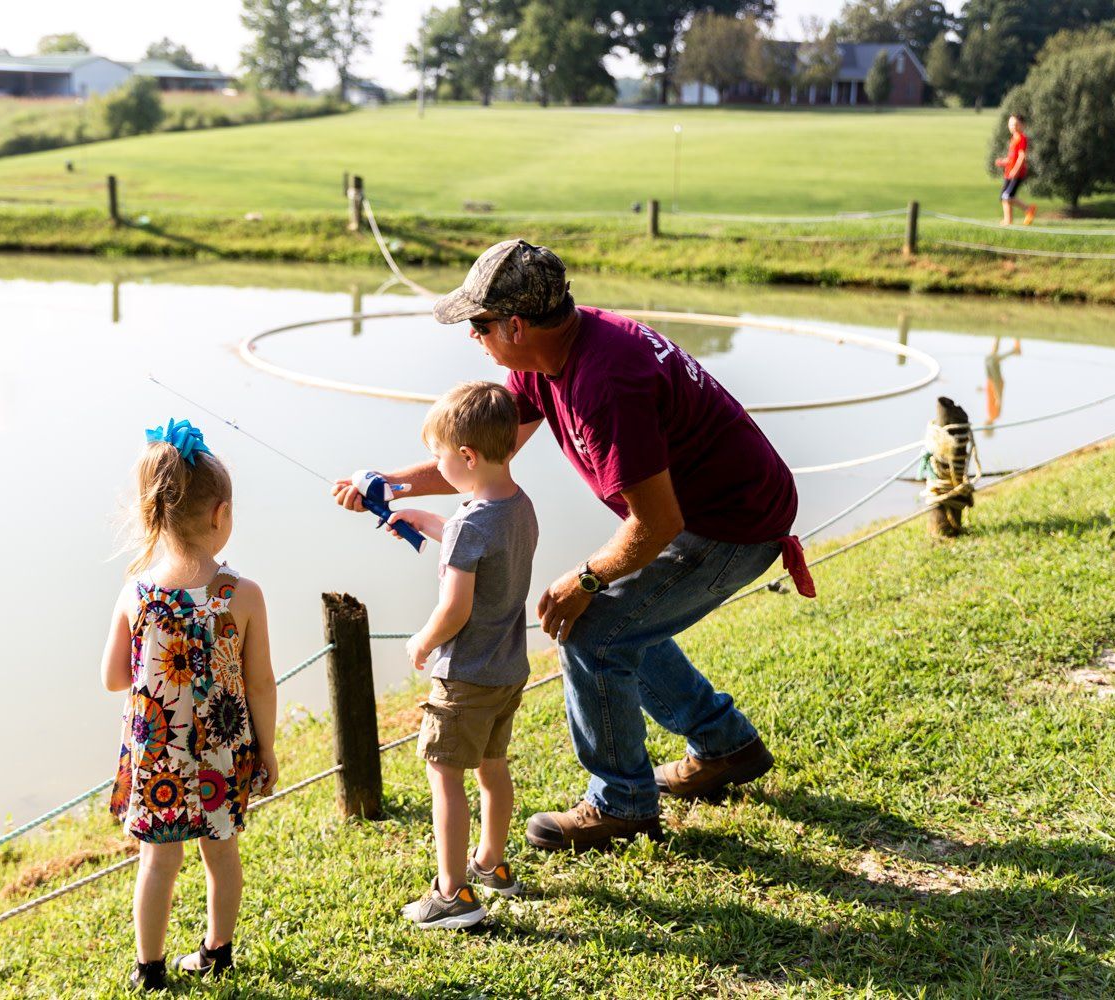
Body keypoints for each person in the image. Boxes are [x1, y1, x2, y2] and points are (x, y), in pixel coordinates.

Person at [333, 240, 814, 853]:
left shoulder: (605, 384)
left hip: (732, 524)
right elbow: (481, 458)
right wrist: (390, 484)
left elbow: (657, 522)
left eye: (478, 325)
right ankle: (725, 746)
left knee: (593, 631)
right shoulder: (547, 356)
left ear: (515, 324)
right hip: (713, 510)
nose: (473, 338)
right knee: (624, 622)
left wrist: (584, 579)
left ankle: (622, 805)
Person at [101, 419, 278, 991]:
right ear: (219, 514)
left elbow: (111, 679)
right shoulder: (243, 595)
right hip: (223, 755)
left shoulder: (136, 593)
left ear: (155, 514)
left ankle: (148, 969)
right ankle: (216, 952)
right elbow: (260, 685)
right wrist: (266, 749)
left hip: (159, 757)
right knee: (220, 855)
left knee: (157, 863)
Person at [381, 381, 538, 929]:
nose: (436, 465)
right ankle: (492, 865)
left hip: (465, 675)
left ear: (466, 456)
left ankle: (452, 894)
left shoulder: (471, 523)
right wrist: (428, 523)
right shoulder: (516, 505)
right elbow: (479, 544)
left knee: (443, 774)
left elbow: (456, 609)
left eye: (439, 457)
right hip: (507, 670)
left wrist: (424, 639)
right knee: (492, 768)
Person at [996, 114, 1037, 226]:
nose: (1012, 126)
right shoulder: (1014, 138)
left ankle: (1028, 209)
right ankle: (1007, 220)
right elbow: (1011, 158)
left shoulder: (1022, 138)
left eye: (1015, 124)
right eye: (1010, 124)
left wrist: (1015, 170)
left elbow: (1021, 156)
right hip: (1009, 172)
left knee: (1007, 196)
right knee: (1004, 197)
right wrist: (1003, 162)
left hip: (1017, 173)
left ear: (1022, 125)